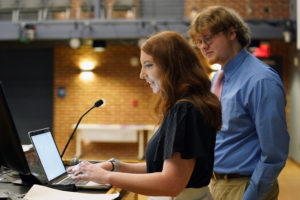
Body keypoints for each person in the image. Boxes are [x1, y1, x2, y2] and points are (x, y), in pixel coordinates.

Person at [69, 31, 222, 199]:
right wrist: (114, 166)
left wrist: (106, 177)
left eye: (148, 65)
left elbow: (171, 183)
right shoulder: (186, 106)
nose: (142, 74)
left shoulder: (185, 109)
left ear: (171, 66)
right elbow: (159, 168)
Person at [190, 5, 290, 200]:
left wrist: (251, 195)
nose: (203, 46)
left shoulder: (260, 80)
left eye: (208, 38)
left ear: (231, 33)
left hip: (244, 187)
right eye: (199, 41)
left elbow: (274, 153)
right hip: (215, 184)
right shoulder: (218, 78)